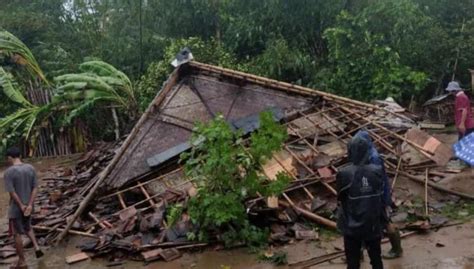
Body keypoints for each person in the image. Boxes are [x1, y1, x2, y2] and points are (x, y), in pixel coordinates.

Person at [337, 136, 385, 269]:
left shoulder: (344, 173)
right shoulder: (377, 170)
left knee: (353, 262)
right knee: (376, 259)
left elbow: (340, 197)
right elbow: (381, 193)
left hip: (352, 225)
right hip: (372, 224)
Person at [355, 130, 403, 259]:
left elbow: (377, 180)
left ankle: (396, 249)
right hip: (372, 194)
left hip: (377, 195)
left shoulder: (373, 157)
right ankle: (358, 252)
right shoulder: (366, 154)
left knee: (385, 221)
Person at [4, 146, 43, 268]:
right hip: (29, 206)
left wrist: (21, 206)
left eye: (8, 158)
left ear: (10, 157)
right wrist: (30, 205)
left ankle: (22, 261)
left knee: (16, 233)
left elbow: (12, 192)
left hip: (16, 208)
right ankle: (37, 247)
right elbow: (35, 188)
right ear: (19, 155)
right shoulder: (30, 168)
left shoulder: (9, 172)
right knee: (28, 227)